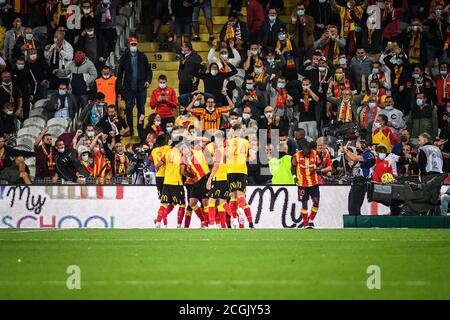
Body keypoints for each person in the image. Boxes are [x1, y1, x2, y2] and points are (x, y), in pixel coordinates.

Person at [117, 37, 152, 136]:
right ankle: (130, 129)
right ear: (129, 45)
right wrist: (121, 88)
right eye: (132, 44)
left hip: (141, 88)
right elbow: (119, 74)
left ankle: (140, 131)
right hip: (129, 89)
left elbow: (148, 71)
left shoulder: (142, 56)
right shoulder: (124, 58)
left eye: (135, 44)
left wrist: (148, 81)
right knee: (129, 108)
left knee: (141, 109)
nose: (133, 46)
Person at [226, 124, 255, 228]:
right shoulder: (246, 142)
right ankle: (241, 209)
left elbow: (224, 157)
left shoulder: (227, 142)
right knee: (241, 195)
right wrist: (243, 159)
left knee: (233, 196)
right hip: (241, 170)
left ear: (233, 131)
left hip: (230, 171)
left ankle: (234, 219)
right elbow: (252, 157)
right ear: (240, 131)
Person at [291, 141, 322, 228]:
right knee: (304, 204)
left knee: (316, 202)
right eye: (305, 153)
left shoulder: (315, 154)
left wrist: (318, 170)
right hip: (302, 184)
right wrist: (294, 177)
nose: (307, 155)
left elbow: (319, 165)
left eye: (308, 153)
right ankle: (306, 224)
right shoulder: (296, 155)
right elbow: (292, 167)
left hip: (313, 183)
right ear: (302, 150)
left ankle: (311, 220)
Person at [206, 130, 233, 228]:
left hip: (218, 179)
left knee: (211, 201)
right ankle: (228, 221)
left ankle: (212, 224)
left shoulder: (218, 150)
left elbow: (216, 166)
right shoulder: (228, 150)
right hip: (227, 179)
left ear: (219, 139)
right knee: (222, 203)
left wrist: (209, 179)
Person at [343, 139, 376, 216]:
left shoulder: (369, 155)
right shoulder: (362, 154)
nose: (357, 147)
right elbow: (351, 159)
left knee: (355, 206)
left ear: (364, 146)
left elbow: (355, 158)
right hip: (355, 182)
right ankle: (354, 222)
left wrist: (346, 150)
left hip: (362, 183)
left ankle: (357, 223)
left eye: (358, 145)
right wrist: (345, 152)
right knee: (351, 206)